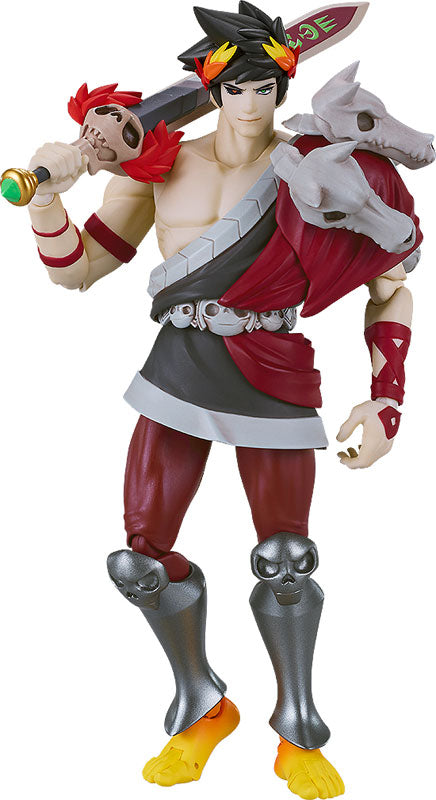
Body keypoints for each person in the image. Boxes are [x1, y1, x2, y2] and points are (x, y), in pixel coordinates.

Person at [25, 3, 420, 797]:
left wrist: (387, 400)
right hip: (179, 363)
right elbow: (79, 269)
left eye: (264, 87)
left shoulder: (318, 167)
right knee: (139, 560)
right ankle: (202, 705)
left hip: (273, 364)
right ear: (211, 90)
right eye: (236, 87)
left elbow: (391, 288)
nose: (250, 102)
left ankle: (298, 731)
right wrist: (45, 200)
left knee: (286, 560)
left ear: (283, 87)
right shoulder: (161, 165)